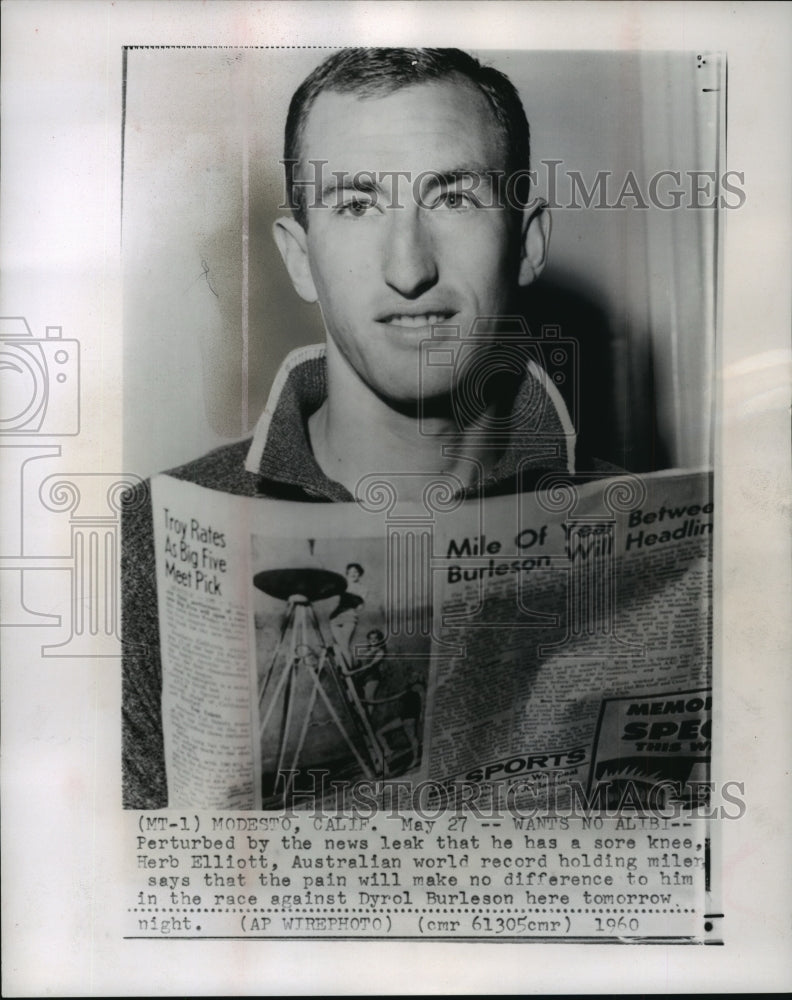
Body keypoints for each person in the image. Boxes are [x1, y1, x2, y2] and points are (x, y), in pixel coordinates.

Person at [123, 47, 616, 809]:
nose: (408, 266)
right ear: (298, 257)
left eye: (453, 198)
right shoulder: (148, 540)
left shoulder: (649, 528)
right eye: (356, 204)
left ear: (528, 241)